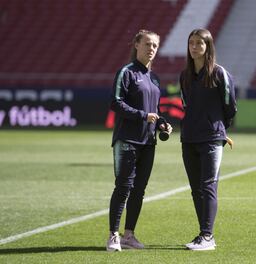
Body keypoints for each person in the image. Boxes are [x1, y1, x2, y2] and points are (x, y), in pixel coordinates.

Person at [106, 29, 172, 252]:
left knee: (139, 190)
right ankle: (113, 235)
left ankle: (129, 235)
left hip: (148, 141)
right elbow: (115, 103)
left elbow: (155, 110)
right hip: (127, 139)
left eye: (155, 45)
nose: (151, 48)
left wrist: (162, 122)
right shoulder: (126, 72)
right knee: (123, 187)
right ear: (136, 45)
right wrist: (143, 116)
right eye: (147, 44)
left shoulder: (154, 77)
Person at [179, 28, 237, 251]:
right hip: (189, 139)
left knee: (208, 186)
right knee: (196, 189)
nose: (194, 47)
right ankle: (203, 234)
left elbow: (230, 106)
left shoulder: (220, 74)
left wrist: (220, 129)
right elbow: (186, 105)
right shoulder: (184, 75)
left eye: (199, 43)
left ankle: (207, 236)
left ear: (208, 46)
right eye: (191, 43)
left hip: (212, 139)